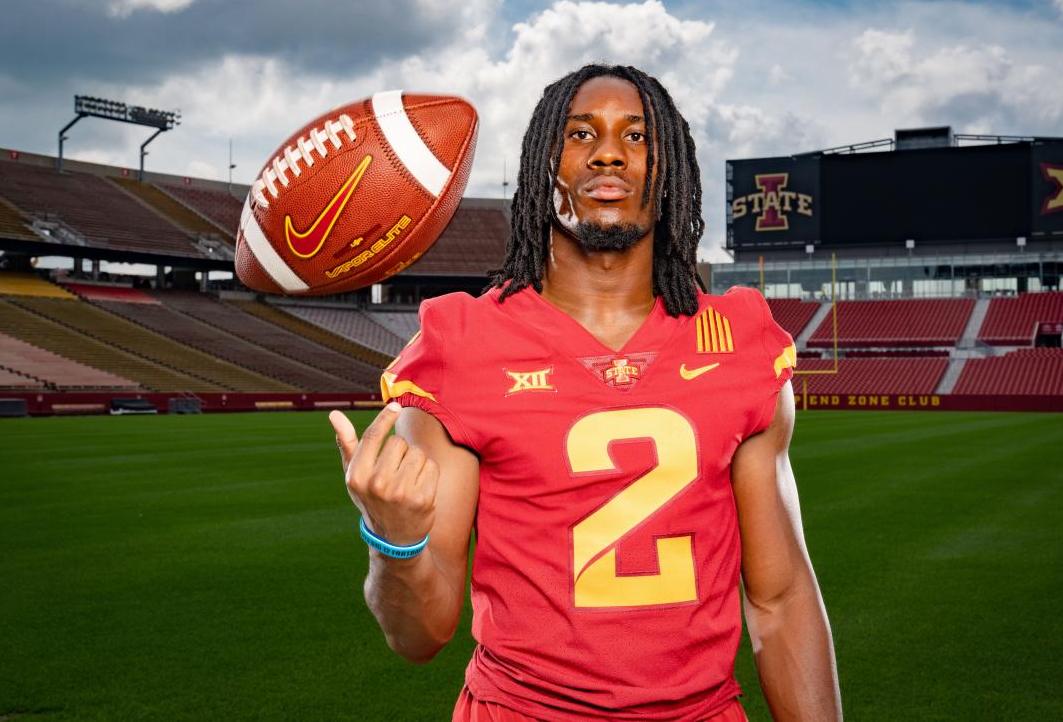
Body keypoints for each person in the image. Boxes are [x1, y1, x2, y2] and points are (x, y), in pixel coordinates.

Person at [330, 64, 841, 721]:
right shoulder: (462, 344)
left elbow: (782, 597)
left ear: (672, 170)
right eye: (580, 134)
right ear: (542, 165)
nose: (608, 152)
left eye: (636, 136)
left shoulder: (738, 341)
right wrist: (392, 541)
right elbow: (420, 635)